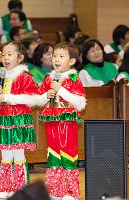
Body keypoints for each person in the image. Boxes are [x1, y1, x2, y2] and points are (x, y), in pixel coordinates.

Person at [0, 42, 44, 199]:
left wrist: (8, 97)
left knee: (18, 155)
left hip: (18, 120)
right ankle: (4, 187)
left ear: (20, 57)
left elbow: (31, 99)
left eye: (10, 54)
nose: (6, 57)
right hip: (2, 119)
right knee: (5, 156)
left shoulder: (25, 77)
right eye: (3, 54)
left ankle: (20, 189)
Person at [38, 42, 86, 200]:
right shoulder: (49, 78)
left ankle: (71, 192)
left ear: (71, 61)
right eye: (54, 56)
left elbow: (80, 102)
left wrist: (61, 89)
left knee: (68, 154)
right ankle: (55, 191)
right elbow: (39, 98)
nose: (56, 59)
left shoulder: (73, 78)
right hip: (52, 120)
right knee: (53, 154)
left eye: (61, 56)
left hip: (67, 121)